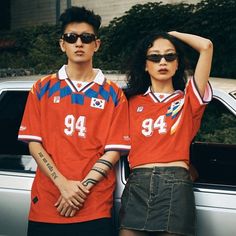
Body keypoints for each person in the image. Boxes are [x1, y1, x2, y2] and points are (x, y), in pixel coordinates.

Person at [18, 6, 130, 236]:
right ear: (62, 44)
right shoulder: (42, 88)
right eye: (71, 37)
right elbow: (34, 144)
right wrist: (63, 185)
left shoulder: (113, 94)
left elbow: (113, 151)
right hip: (47, 205)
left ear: (96, 44)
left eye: (86, 38)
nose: (79, 43)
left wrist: (79, 190)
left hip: (94, 207)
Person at [119, 31, 213, 236]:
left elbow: (206, 46)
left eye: (170, 56)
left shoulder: (189, 100)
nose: (163, 61)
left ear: (177, 63)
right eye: (154, 57)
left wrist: (172, 34)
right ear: (145, 65)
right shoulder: (129, 102)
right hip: (137, 181)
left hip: (176, 183)